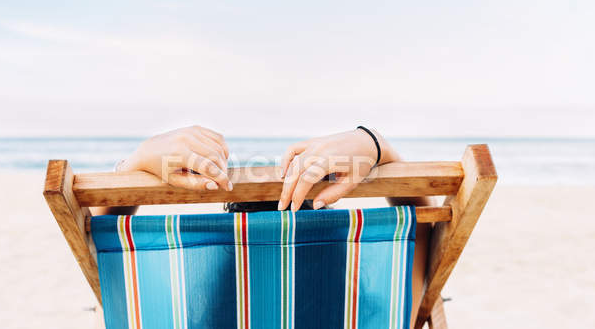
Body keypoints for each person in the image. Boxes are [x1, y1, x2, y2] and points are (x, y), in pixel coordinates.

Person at [91, 125, 433, 328]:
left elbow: (107, 246)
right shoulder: (370, 314)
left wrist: (137, 162)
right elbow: (424, 232)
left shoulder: (172, 318)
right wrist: (373, 143)